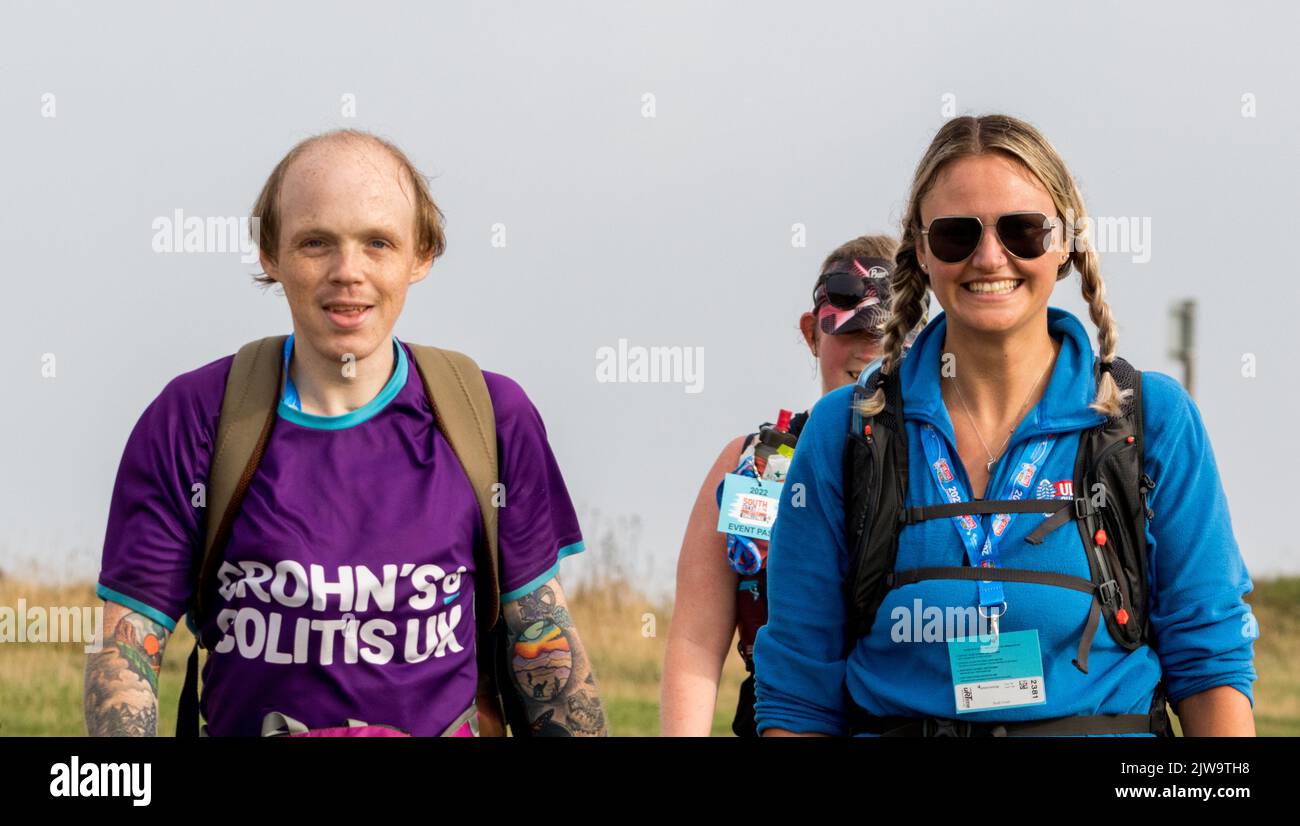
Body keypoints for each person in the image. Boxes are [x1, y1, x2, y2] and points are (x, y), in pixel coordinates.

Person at [83, 129, 606, 737]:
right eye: (315, 243)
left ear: (422, 255)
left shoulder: (490, 415)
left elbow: (542, 642)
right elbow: (127, 652)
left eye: (378, 243)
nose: (347, 272)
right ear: (270, 255)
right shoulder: (194, 417)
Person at [754, 114, 1257, 737]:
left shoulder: (1152, 421)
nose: (990, 257)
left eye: (1023, 230)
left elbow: (1210, 664)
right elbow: (799, 693)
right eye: (957, 234)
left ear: (1065, 242)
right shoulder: (846, 431)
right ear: (920, 249)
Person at [661, 234, 911, 736]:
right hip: (777, 718)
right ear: (811, 332)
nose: (869, 350)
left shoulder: (951, 464)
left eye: (887, 336)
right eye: (851, 331)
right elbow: (694, 643)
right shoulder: (750, 464)